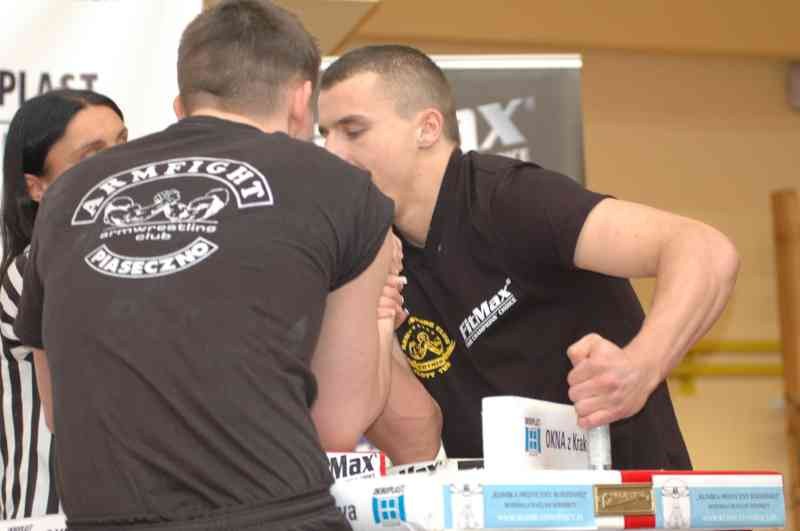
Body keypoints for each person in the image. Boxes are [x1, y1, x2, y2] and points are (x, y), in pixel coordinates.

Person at [13, 3, 438, 530]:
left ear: (183, 102)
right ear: (301, 99)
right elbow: (336, 424)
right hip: (271, 517)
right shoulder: (341, 188)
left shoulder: (68, 193)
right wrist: (380, 312)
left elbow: (60, 409)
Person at [317, 44, 741, 468]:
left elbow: (704, 248)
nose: (331, 153)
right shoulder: (376, 251)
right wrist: (378, 325)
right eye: (325, 134)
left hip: (625, 497)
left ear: (427, 128)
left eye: (353, 131)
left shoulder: (509, 198)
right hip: (499, 503)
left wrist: (640, 366)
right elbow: (416, 443)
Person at [0, 89, 127, 520]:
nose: (119, 163)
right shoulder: (30, 271)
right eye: (91, 155)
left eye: (123, 142)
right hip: (52, 510)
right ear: (36, 187)